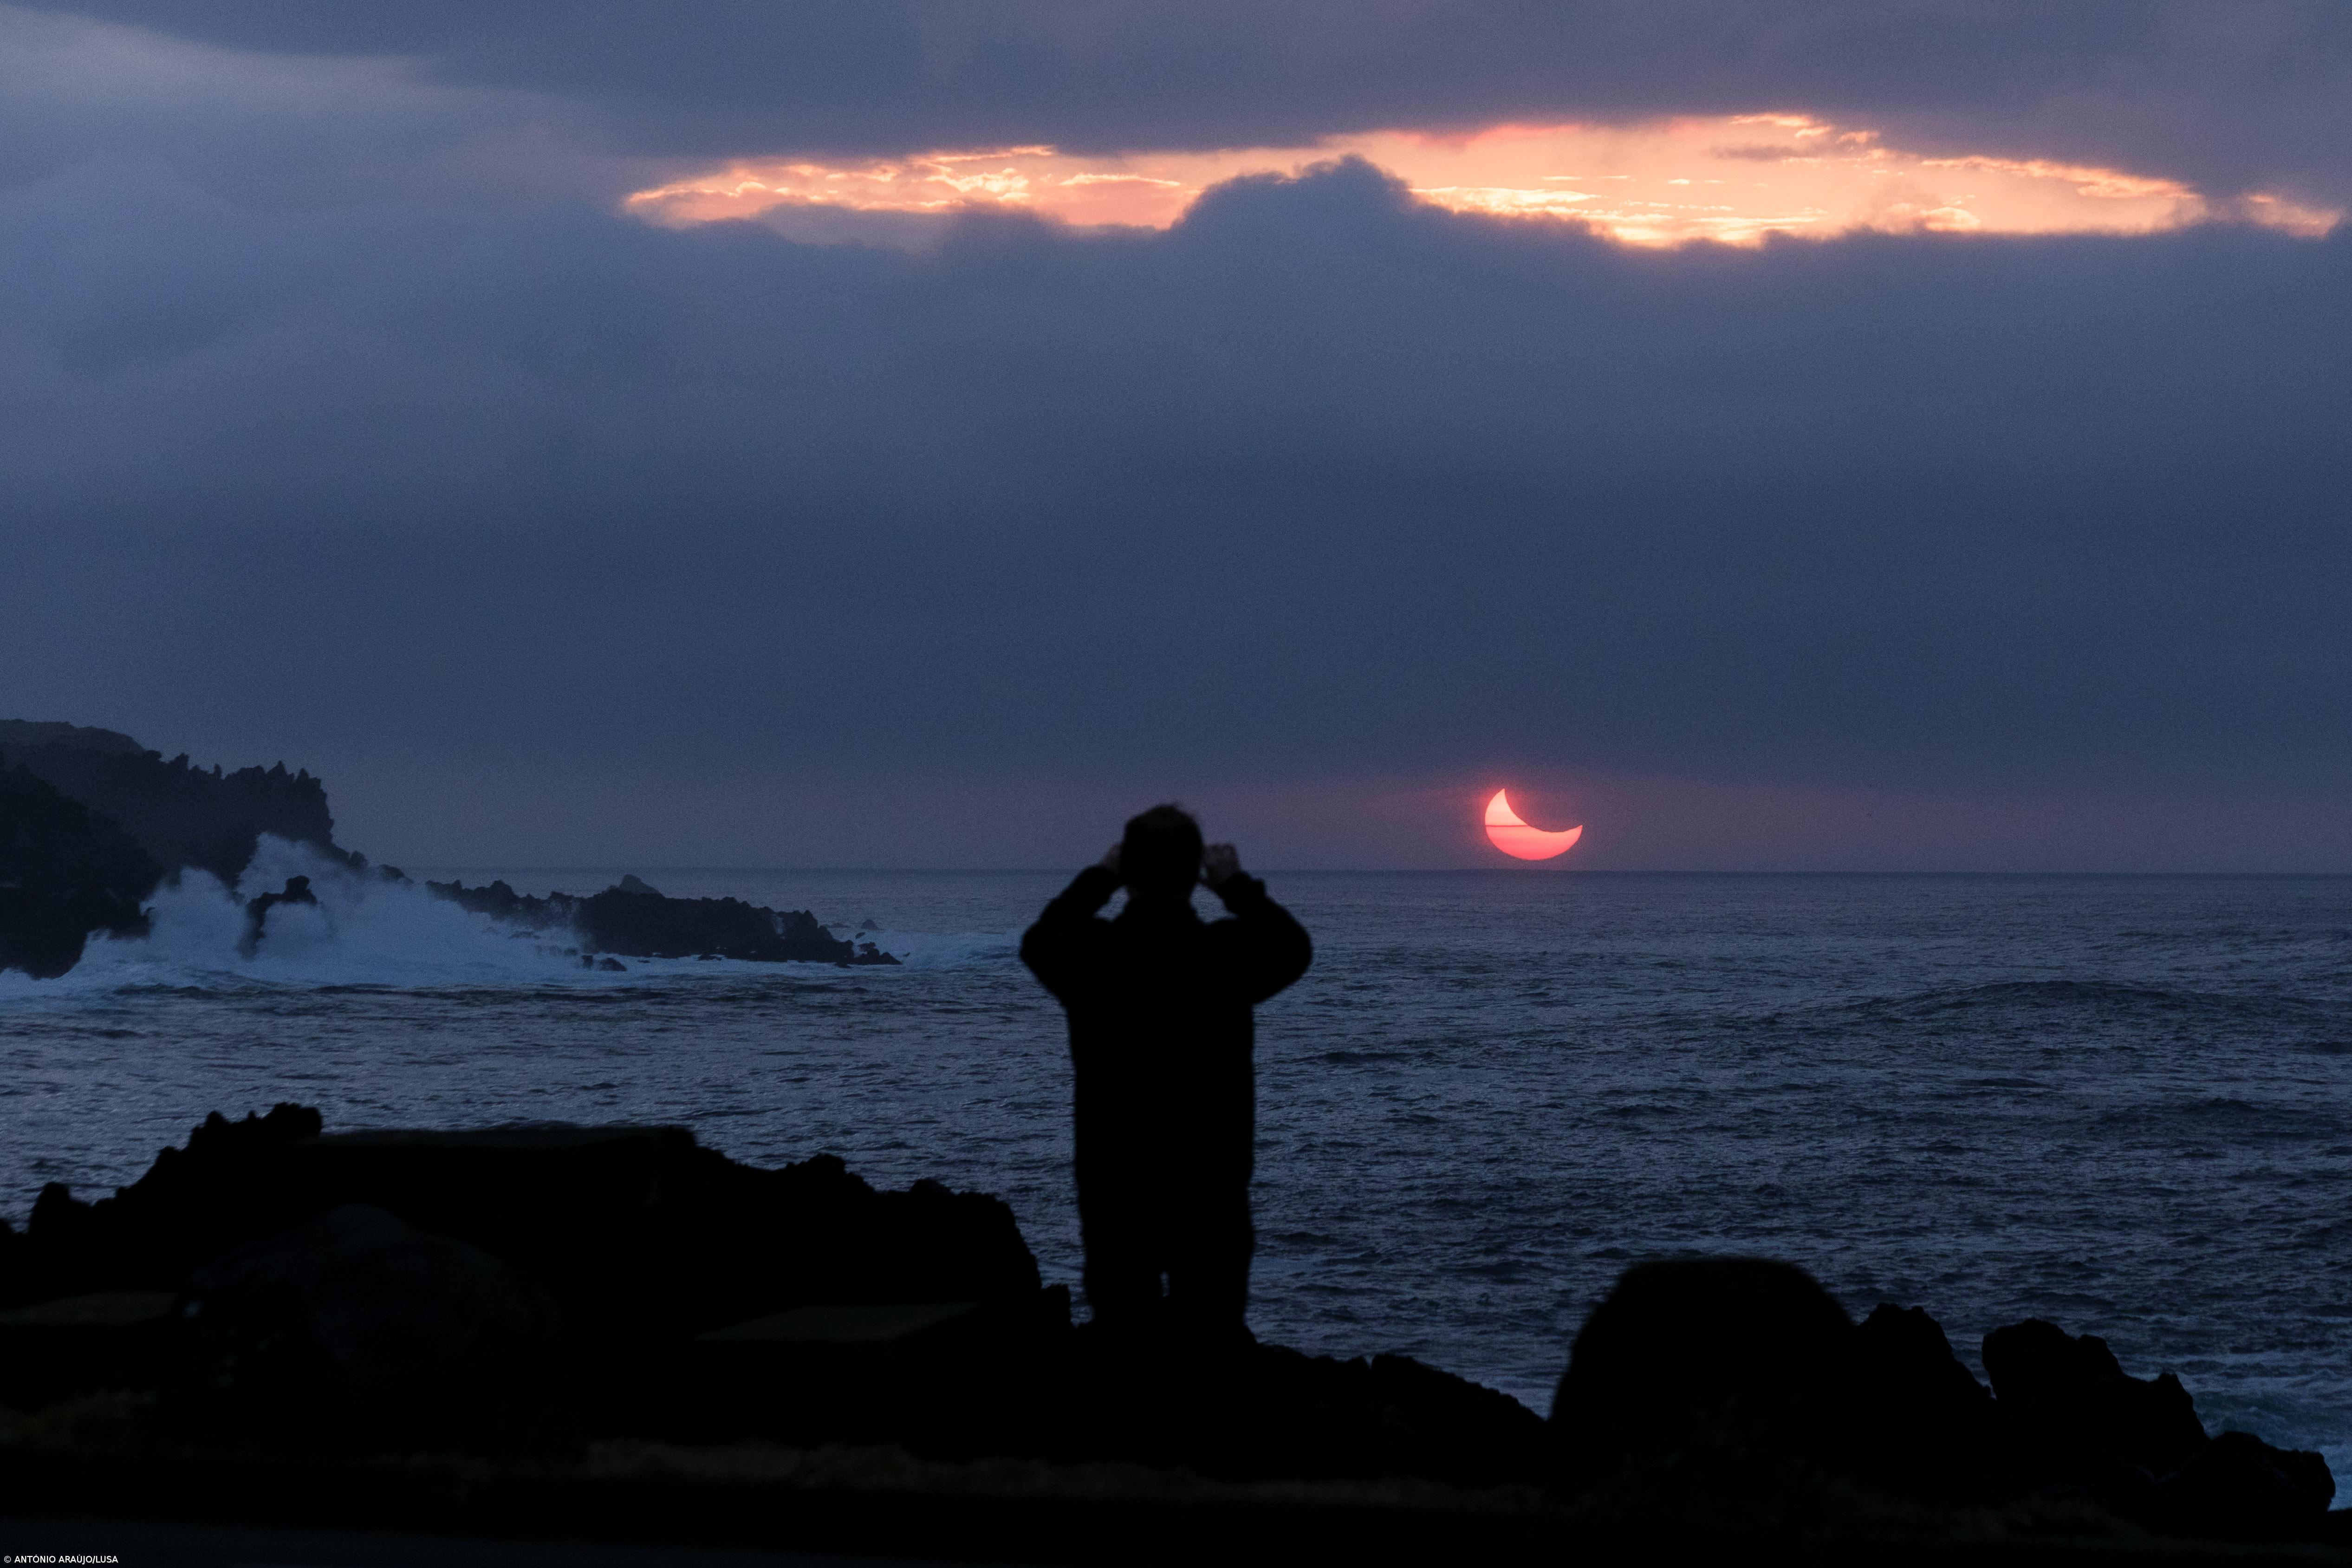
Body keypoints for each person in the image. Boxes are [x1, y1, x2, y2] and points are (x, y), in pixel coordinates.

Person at [1020, 804, 1312, 1341]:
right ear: (1194, 873)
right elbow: (1293, 947)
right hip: (1209, 1187)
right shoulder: (1223, 955)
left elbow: (1039, 940)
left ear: (1127, 872)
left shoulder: (1094, 955)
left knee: (1123, 1346)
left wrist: (1101, 876)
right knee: (1210, 1347)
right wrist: (1235, 885)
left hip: (1115, 1186)